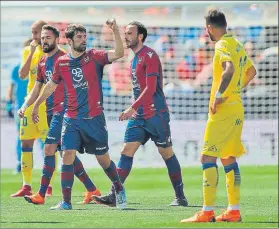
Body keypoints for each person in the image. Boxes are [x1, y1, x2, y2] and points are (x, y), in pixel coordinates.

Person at [31, 20, 126, 210]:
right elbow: (50, 85)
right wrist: (36, 105)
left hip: (94, 119)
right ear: (69, 40)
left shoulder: (95, 56)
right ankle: (66, 202)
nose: (84, 40)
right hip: (71, 118)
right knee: (67, 155)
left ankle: (118, 188)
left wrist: (115, 30)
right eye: (79, 37)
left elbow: (118, 53)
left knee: (103, 159)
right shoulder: (62, 62)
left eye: (85, 37)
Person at [93, 21, 188, 207]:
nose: (126, 35)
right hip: (140, 117)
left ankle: (180, 196)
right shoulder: (134, 58)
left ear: (140, 36)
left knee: (166, 153)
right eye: (125, 33)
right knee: (126, 151)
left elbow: (151, 88)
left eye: (129, 33)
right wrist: (115, 31)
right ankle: (114, 195)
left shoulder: (149, 55)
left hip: (156, 114)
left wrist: (132, 108)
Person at [180, 9, 257, 223]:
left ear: (210, 28)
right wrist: (234, 91)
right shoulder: (238, 45)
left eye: (207, 29)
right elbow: (252, 72)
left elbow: (229, 69)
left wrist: (220, 95)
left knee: (207, 156)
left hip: (223, 110)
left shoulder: (221, 44)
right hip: (237, 107)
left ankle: (207, 211)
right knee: (228, 157)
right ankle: (233, 210)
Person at [17, 25, 101, 205]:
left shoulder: (64, 58)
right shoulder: (41, 61)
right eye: (42, 38)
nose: (44, 40)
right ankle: (92, 190)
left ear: (56, 39)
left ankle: (40, 194)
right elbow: (37, 88)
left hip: (64, 110)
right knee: (65, 153)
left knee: (49, 149)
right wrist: (26, 105)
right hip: (51, 110)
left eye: (48, 37)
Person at [10, 20, 55, 197]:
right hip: (29, 104)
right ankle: (26, 185)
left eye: (37, 32)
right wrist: (32, 52)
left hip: (48, 105)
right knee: (26, 143)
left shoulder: (55, 53)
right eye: (33, 32)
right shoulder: (28, 51)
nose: (34, 36)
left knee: (49, 146)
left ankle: (48, 186)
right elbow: (22, 75)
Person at [6, 38, 31, 174]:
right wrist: (9, 103)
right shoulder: (17, 67)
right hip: (20, 108)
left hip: (37, 107)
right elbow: (11, 86)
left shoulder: (39, 65)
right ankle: (20, 163)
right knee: (22, 136)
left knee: (43, 137)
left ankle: (49, 162)